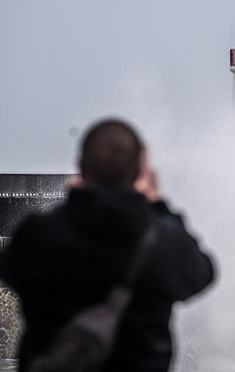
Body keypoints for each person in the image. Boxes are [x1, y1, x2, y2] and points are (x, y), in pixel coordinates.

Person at [0, 118, 215, 371]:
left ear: (80, 166)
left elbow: (9, 272)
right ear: (140, 173)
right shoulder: (166, 241)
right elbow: (203, 275)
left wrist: (74, 203)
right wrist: (158, 204)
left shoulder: (39, 234)